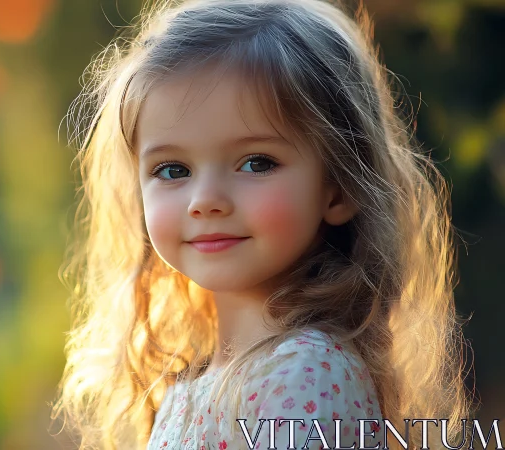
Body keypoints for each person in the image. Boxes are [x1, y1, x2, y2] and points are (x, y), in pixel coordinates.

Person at [50, 1, 475, 449]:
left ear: (338, 188)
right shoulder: (192, 387)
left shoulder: (306, 374)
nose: (205, 201)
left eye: (256, 163)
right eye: (173, 170)